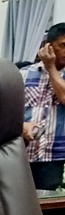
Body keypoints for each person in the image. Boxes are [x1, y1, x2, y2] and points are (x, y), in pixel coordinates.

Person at [21, 22, 65, 190]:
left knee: (49, 203)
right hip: (21, 153)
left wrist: (50, 67)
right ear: (48, 46)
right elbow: (5, 112)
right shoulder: (23, 74)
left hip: (55, 156)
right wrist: (21, 126)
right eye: (63, 45)